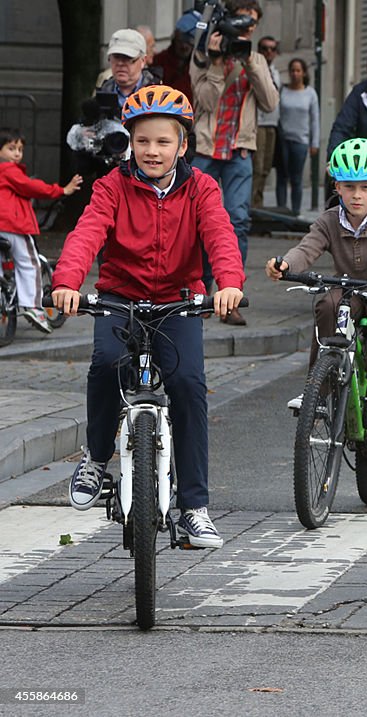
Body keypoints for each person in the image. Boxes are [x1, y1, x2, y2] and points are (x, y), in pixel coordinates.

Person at [52, 85, 245, 548]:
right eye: (142, 141)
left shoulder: (202, 187)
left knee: (188, 386)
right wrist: (66, 281)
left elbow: (220, 235)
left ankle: (195, 508)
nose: (152, 151)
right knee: (106, 363)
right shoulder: (112, 185)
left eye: (163, 141)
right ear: (130, 142)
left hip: (179, 301)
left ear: (182, 145)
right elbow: (87, 233)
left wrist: (230, 283)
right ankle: (97, 461)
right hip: (120, 297)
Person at [265, 139, 367, 473]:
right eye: (349, 187)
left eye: (365, 187)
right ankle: (316, 393)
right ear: (337, 187)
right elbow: (306, 249)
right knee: (325, 306)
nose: (357, 195)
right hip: (348, 290)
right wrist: (285, 265)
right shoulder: (329, 220)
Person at [190, 0, 278, 326]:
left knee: (237, 222)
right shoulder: (203, 51)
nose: (249, 30)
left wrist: (251, 63)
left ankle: (231, 296)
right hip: (206, 152)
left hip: (239, 151)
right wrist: (215, 64)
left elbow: (270, 102)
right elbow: (205, 102)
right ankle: (200, 292)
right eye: (244, 24)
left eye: (253, 24)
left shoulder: (254, 57)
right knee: (197, 224)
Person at [0, 127, 83, 333]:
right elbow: (32, 187)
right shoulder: (8, 170)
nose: (17, 153)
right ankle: (33, 306)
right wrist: (61, 190)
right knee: (30, 264)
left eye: (20, 149)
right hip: (12, 226)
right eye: (11, 148)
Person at [276, 57, 319, 214]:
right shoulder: (283, 90)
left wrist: (314, 143)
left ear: (304, 73)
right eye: (292, 70)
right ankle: (280, 211)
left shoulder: (310, 93)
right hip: (283, 140)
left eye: (298, 70)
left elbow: (314, 119)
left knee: (296, 178)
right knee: (282, 177)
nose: (295, 74)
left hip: (301, 141)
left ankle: (295, 212)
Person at [251, 36, 282, 209]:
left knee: (266, 168)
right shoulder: (257, 68)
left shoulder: (275, 72)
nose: (268, 52)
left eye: (272, 49)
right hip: (259, 123)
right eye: (264, 48)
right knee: (258, 166)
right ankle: (253, 205)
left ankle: (259, 202)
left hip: (273, 123)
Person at [97, 29, 160, 109]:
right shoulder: (102, 93)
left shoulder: (157, 96)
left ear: (143, 61)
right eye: (116, 57)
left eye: (127, 58)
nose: (120, 63)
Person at [152, 11, 201, 100]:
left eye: (189, 42)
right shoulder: (160, 61)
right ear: (175, 40)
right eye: (180, 41)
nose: (184, 46)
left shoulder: (200, 65)